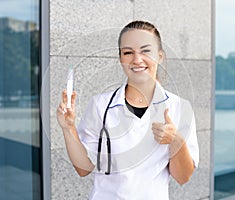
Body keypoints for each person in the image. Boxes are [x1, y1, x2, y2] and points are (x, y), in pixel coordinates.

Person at [57, 20, 199, 199]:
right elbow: (83, 168)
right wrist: (68, 128)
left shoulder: (180, 108)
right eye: (128, 52)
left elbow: (183, 177)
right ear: (120, 58)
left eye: (146, 51)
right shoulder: (100, 105)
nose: (137, 59)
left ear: (160, 56)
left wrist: (176, 141)